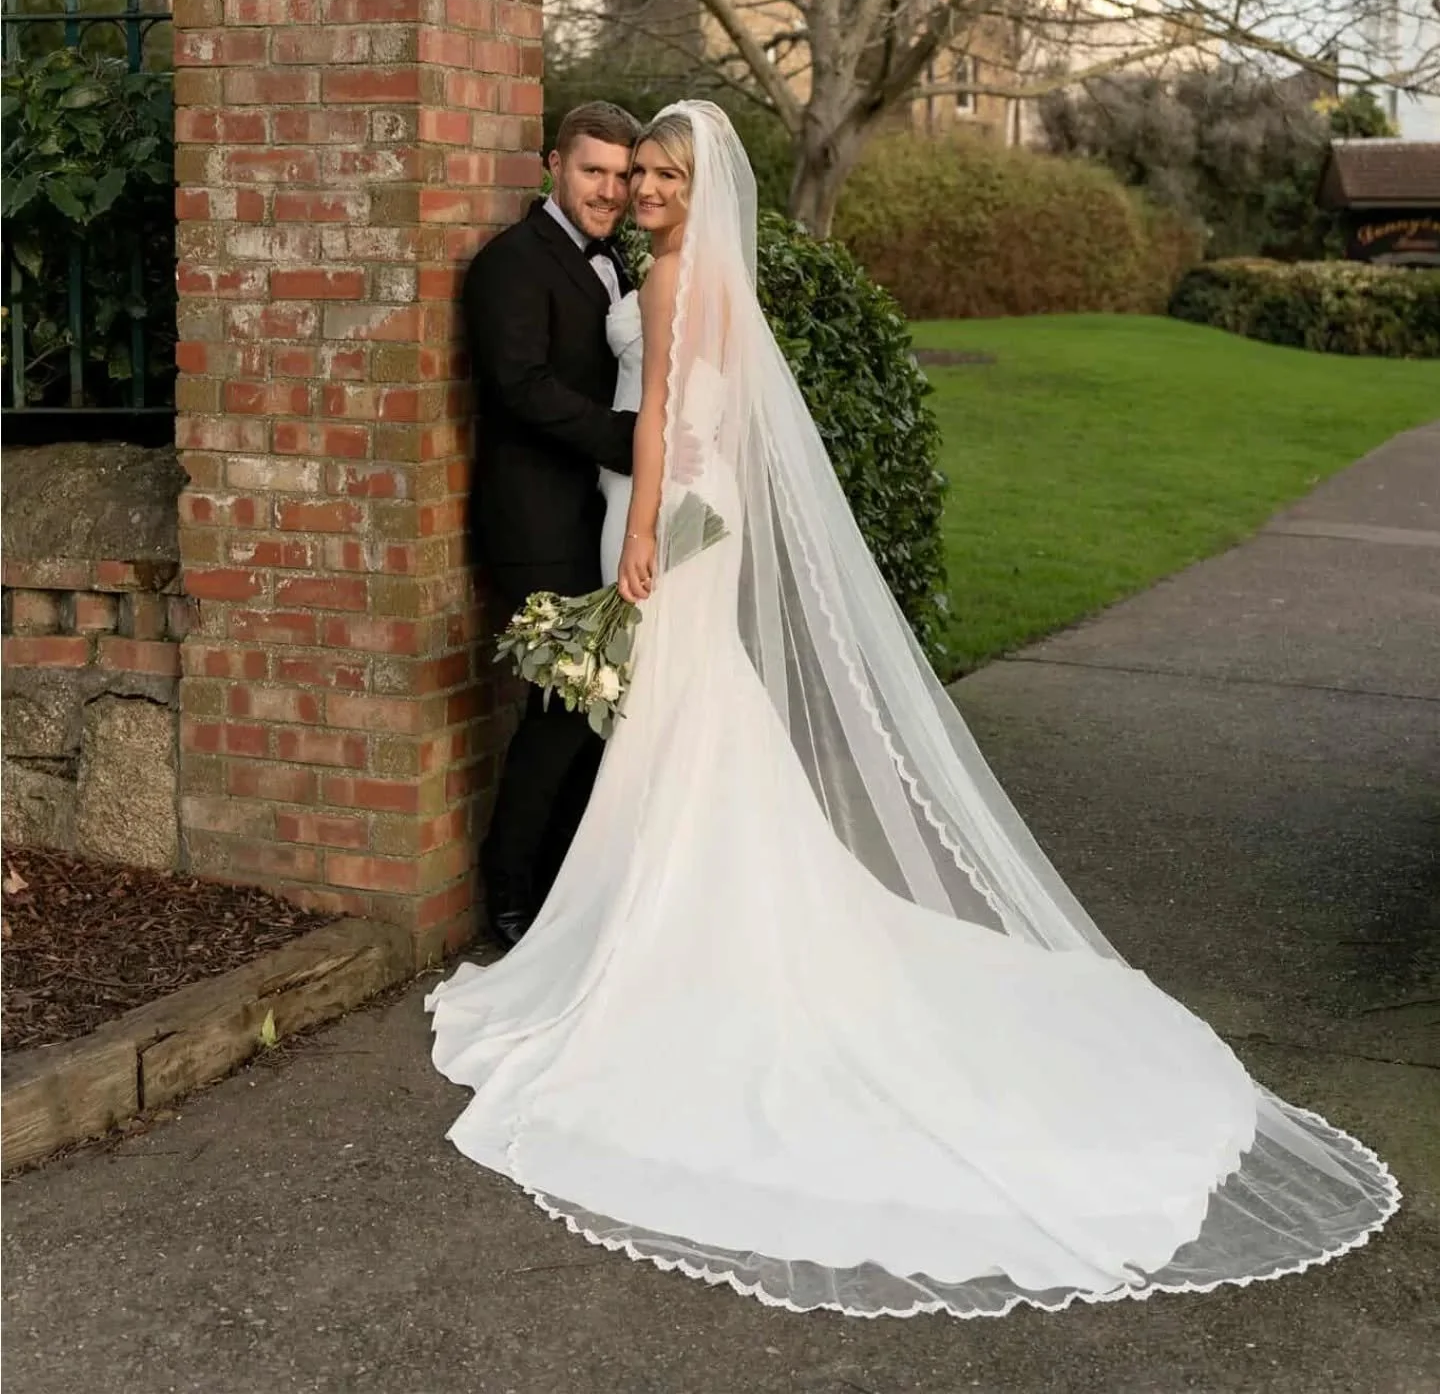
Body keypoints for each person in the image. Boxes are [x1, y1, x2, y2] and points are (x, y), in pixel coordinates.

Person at [430, 101, 1397, 1318]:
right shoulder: (668, 267)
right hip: (667, 512)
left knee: (662, 722)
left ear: (694, 183)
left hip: (655, 519)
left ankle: (638, 928)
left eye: (661, 172)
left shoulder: (668, 274)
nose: (643, 189)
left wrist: (640, 530)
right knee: (672, 722)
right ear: (574, 170)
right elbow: (667, 410)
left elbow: (674, 419)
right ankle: (626, 905)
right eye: (631, 172)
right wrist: (653, 500)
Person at [460, 100, 640, 950]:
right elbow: (522, 387)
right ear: (553, 166)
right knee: (566, 706)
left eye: (619, 173)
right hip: (537, 516)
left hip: (606, 515)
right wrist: (633, 440)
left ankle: (565, 882)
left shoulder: (616, 260)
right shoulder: (511, 263)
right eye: (592, 170)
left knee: (597, 707)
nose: (608, 189)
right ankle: (509, 891)